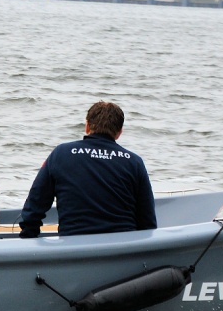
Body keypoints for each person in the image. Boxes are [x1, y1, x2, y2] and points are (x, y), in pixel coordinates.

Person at [18, 101, 157, 238]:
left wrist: (29, 237)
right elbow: (147, 220)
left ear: (87, 126)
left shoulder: (61, 153)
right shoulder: (134, 162)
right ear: (119, 132)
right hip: (123, 249)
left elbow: (34, 205)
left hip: (74, 248)